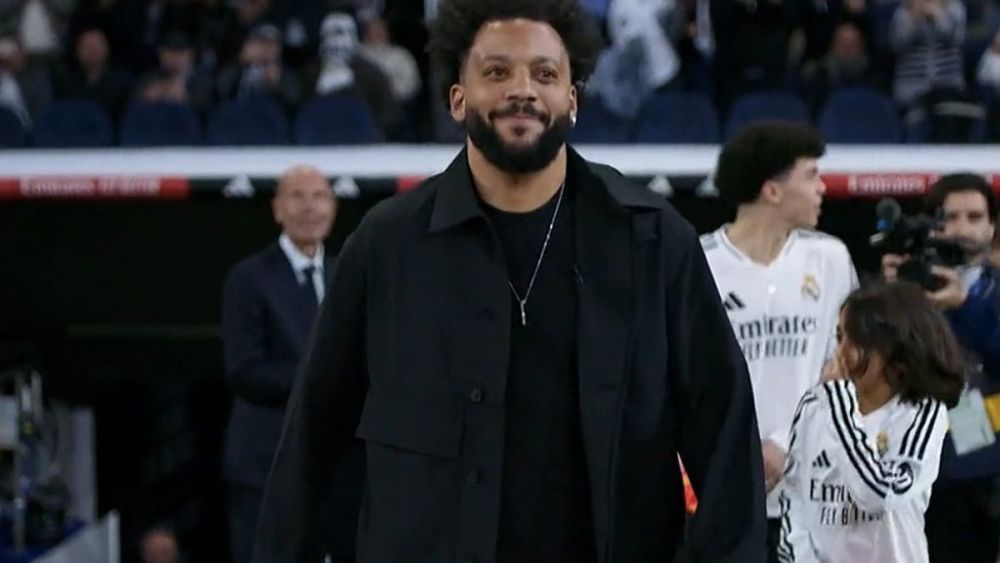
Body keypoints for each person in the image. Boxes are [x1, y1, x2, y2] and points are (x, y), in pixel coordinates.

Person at [251, 0, 767, 562]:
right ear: (458, 98)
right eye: (496, 72)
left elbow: (723, 434)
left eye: (545, 74)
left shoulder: (655, 242)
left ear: (572, 99)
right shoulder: (385, 247)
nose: (522, 90)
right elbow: (312, 441)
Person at [702, 121, 858, 563]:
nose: (823, 188)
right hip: (723, 494)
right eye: (811, 175)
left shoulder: (830, 259)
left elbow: (843, 369)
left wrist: (786, 444)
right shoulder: (699, 263)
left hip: (812, 496)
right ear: (772, 190)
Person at [778, 282, 965, 563]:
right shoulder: (814, 408)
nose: (840, 353)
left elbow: (880, 494)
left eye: (854, 342)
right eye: (839, 337)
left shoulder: (922, 415)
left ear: (894, 352)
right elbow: (794, 502)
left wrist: (841, 410)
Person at [221, 165, 338, 563]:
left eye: (319, 196)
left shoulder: (347, 273)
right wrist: (323, 381)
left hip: (332, 466)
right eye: (298, 196)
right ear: (277, 209)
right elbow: (244, 371)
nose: (310, 207)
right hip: (265, 466)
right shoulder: (249, 279)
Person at [882, 173, 1000, 563]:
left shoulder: (993, 291)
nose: (961, 229)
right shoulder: (902, 285)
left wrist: (964, 306)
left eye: (974, 217)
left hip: (985, 467)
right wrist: (889, 298)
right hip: (905, 466)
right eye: (950, 218)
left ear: (992, 225)